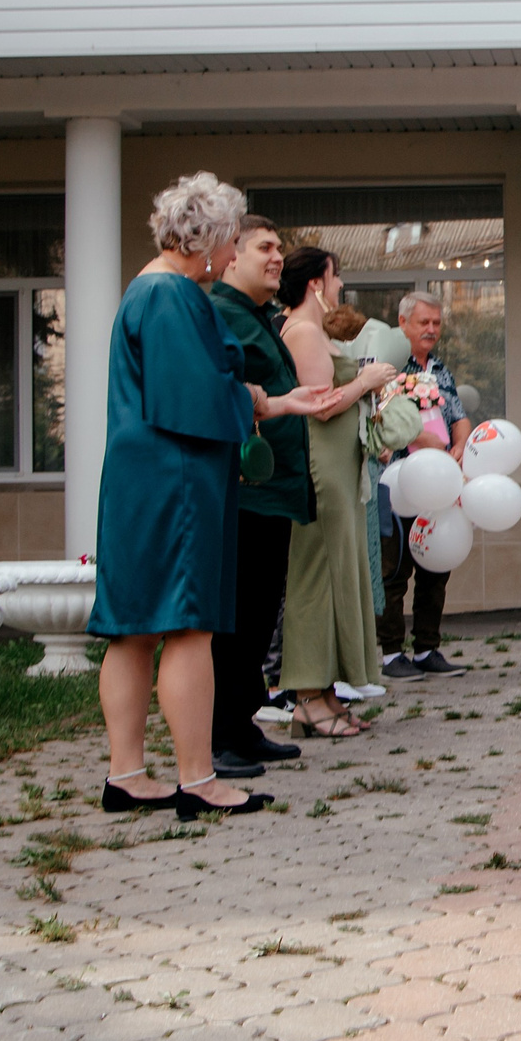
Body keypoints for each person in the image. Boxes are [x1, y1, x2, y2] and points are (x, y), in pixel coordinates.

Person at [89, 173, 326, 819]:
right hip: (179, 483)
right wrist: (247, 398)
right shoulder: (172, 296)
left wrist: (265, 400)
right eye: (231, 243)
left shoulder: (146, 290)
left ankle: (128, 775)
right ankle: (199, 778)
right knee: (188, 629)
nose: (232, 258)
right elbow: (192, 398)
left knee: (132, 630)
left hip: (142, 480)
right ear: (213, 238)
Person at [204, 214, 313, 781]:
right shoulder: (223, 315)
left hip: (274, 494)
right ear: (232, 256)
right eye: (265, 248)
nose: (277, 257)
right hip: (248, 496)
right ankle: (220, 737)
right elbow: (244, 397)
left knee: (259, 615)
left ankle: (242, 726)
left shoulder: (258, 317)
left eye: (280, 247)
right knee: (240, 618)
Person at [275, 247, 395, 737]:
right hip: (321, 466)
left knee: (335, 575)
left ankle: (326, 694)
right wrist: (364, 380)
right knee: (315, 578)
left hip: (342, 465)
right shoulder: (301, 330)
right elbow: (320, 406)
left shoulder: (316, 331)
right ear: (314, 284)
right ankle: (305, 696)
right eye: (335, 275)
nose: (340, 284)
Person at [377, 290, 475, 681]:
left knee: (436, 567)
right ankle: (389, 654)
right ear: (403, 324)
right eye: (424, 323)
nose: (431, 330)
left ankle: (426, 649)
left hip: (440, 484)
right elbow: (379, 420)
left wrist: (461, 445)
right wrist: (419, 437)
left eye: (436, 323)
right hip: (400, 481)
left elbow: (458, 414)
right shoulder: (388, 366)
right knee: (395, 570)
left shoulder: (440, 369)